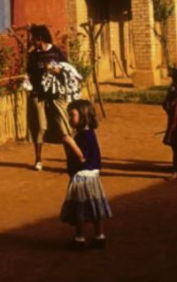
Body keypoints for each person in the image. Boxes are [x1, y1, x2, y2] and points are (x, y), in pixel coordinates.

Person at [59, 99, 111, 250]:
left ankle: (79, 238)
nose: (69, 119)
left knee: (80, 208)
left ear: (83, 116)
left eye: (72, 115)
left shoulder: (83, 136)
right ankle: (99, 236)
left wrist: (70, 142)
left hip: (83, 177)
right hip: (93, 176)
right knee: (95, 206)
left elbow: (82, 157)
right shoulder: (89, 133)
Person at [25, 24, 74, 171]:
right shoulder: (33, 55)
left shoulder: (56, 52)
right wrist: (27, 82)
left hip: (55, 93)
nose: (32, 42)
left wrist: (56, 70)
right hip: (38, 94)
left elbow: (67, 71)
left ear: (40, 39)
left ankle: (70, 159)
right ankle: (38, 159)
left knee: (64, 125)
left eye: (33, 39)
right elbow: (29, 73)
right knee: (39, 126)